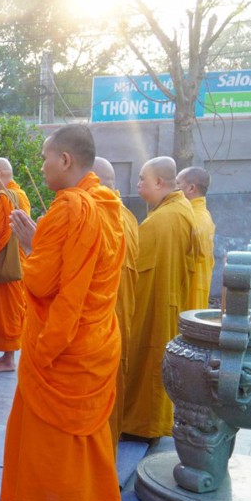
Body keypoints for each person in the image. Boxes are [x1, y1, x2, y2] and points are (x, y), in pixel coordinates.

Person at [0, 124, 124, 501]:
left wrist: (30, 244)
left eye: (45, 158)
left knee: (63, 446)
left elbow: (42, 281)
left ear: (65, 160)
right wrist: (42, 240)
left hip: (65, 347)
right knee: (83, 442)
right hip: (95, 340)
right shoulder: (106, 203)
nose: (42, 166)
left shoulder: (71, 208)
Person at [120, 156, 195, 440]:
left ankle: (142, 426)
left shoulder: (165, 219)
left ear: (160, 182)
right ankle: (145, 423)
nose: (138, 184)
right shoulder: (177, 210)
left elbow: (133, 269)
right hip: (165, 298)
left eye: (142, 179)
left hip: (155, 303)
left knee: (147, 360)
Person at [92, 156, 139, 448]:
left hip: (100, 322)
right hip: (119, 318)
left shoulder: (98, 216)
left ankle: (98, 455)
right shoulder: (127, 215)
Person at [0, 158, 30, 373]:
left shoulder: (5, 197)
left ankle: (8, 359)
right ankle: (7, 356)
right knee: (12, 308)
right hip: (18, 260)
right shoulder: (20, 194)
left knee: (7, 310)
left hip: (6, 263)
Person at [177, 166, 215, 310]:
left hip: (190, 293)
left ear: (191, 188)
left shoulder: (194, 219)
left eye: (177, 183)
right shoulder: (201, 215)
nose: (174, 188)